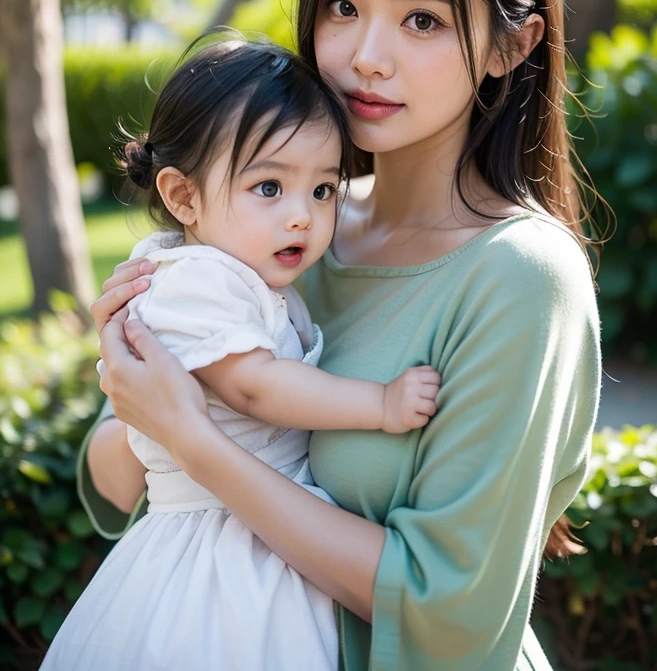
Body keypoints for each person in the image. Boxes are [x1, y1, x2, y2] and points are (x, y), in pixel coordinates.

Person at [82, 0, 602, 671]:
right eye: (342, 6)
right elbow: (119, 482)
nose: (365, 56)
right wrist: (124, 372)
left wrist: (194, 439)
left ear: (513, 44)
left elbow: (451, 616)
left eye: (422, 19)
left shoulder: (519, 277)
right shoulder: (279, 227)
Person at [41, 38, 441, 671]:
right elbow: (254, 386)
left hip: (255, 526)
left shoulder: (234, 270)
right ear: (184, 197)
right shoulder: (201, 281)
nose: (302, 218)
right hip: (224, 546)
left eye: (322, 191)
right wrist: (381, 404)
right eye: (269, 187)